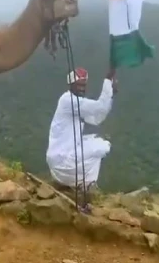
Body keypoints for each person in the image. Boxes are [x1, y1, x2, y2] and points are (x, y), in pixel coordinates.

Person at [46, 67, 117, 211]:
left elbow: (97, 118)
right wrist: (108, 80)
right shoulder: (69, 101)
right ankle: (87, 187)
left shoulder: (75, 102)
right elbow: (100, 107)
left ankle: (83, 183)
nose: (81, 88)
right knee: (103, 147)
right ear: (70, 85)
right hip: (61, 161)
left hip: (59, 159)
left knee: (98, 140)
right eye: (78, 85)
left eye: (83, 85)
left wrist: (111, 95)